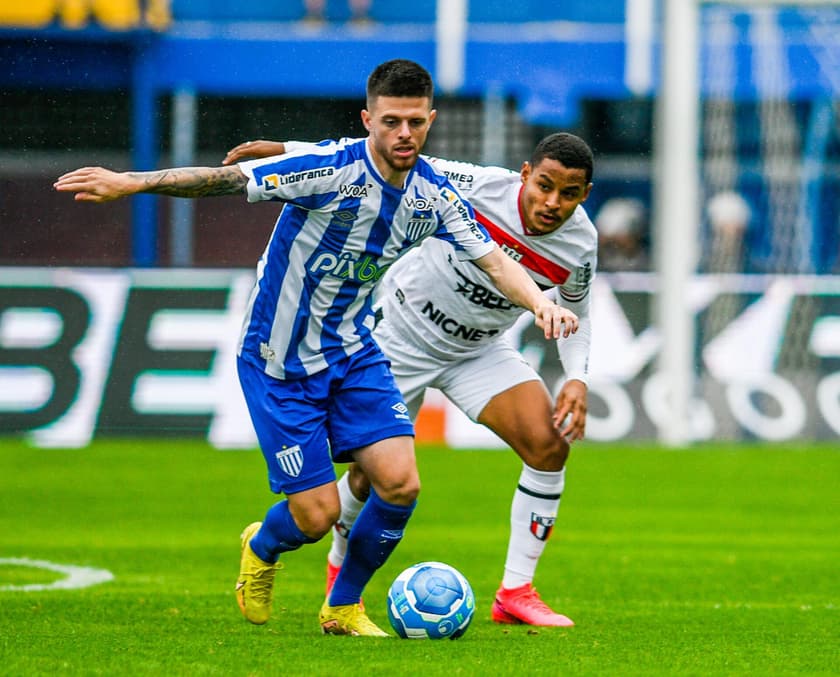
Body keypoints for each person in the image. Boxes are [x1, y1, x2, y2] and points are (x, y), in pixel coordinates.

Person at [54, 59, 577, 637]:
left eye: (414, 123)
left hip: (355, 350)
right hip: (278, 360)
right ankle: (262, 543)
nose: (404, 134)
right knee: (317, 514)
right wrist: (132, 183)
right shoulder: (331, 171)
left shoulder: (435, 196)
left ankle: (343, 606)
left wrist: (541, 304)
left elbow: (494, 260)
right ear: (368, 120)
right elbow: (226, 181)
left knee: (401, 483)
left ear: (430, 121)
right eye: (391, 122)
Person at [223, 131, 596, 627]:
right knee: (373, 475)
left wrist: (577, 378)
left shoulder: (580, 243)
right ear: (525, 174)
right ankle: (339, 573)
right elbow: (385, 151)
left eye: (568, 194)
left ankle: (515, 591)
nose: (552, 203)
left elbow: (578, 311)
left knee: (549, 446)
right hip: (395, 337)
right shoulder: (479, 186)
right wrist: (290, 150)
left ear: (584, 194)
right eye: (544, 185)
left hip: (477, 351)